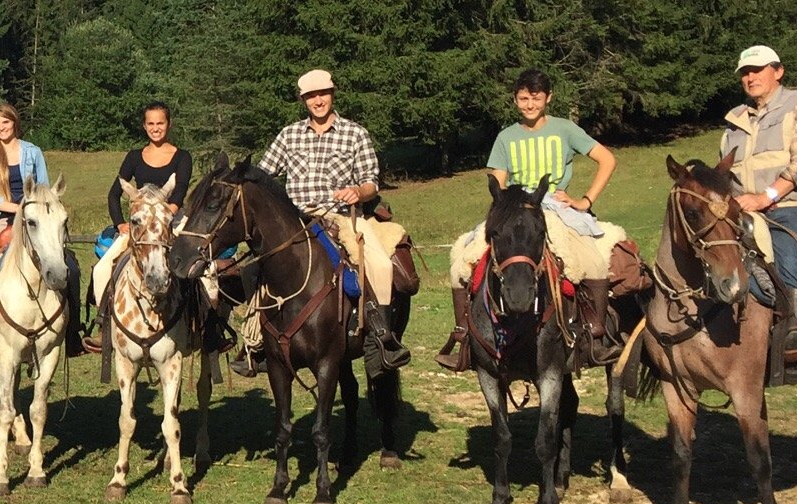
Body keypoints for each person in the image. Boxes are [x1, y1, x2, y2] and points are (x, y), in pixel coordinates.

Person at [435, 69, 620, 371]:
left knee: (594, 261)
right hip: (513, 208)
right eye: (523, 98)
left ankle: (597, 337)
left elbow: (607, 159)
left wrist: (584, 201)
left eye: (536, 98)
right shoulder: (506, 137)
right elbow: (498, 181)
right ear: (515, 100)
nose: (530, 104)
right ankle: (464, 337)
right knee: (461, 262)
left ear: (549, 98)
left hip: (553, 206)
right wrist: (503, 205)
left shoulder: (565, 129)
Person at [255, 69, 409, 375]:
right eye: (311, 96)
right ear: (303, 100)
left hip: (341, 215)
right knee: (254, 266)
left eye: (323, 93)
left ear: (332, 94)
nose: (318, 101)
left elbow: (371, 183)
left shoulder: (355, 133)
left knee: (378, 264)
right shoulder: (289, 135)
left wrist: (357, 191)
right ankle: (257, 343)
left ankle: (381, 338)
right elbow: (262, 175)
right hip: (295, 219)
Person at [722, 43, 797, 385]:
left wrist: (765, 197)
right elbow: (727, 172)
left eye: (758, 70)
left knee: (787, 257)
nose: (750, 78)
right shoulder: (735, 120)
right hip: (744, 209)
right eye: (745, 73)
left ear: (777, 71)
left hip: (791, 206)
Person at [0, 101, 85, 356]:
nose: (1, 128)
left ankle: (73, 331)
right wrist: (21, 209)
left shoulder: (33, 152)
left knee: (73, 269)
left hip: (37, 218)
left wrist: (39, 209)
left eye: (6, 122)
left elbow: (44, 187)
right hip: (1, 219)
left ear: (15, 123)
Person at [86, 101, 192, 349]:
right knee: (102, 268)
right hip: (141, 226)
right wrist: (121, 224)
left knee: (204, 273)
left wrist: (162, 216)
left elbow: (179, 194)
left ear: (169, 124)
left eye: (161, 123)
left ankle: (207, 331)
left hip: (171, 222)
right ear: (145, 126)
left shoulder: (182, 156)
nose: (156, 128)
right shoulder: (134, 157)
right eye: (151, 124)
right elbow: (114, 194)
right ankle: (105, 325)